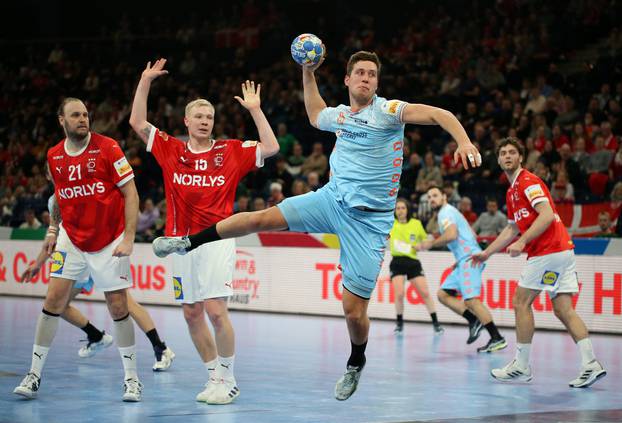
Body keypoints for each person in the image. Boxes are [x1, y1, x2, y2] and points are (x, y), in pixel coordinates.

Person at [152, 50, 482, 401]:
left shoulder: (387, 111)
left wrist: (463, 140)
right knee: (262, 217)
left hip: (369, 223)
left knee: (354, 313)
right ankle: (187, 242)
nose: (366, 79)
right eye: (360, 73)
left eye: (372, 74)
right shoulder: (339, 115)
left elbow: (438, 113)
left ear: (377, 83)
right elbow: (313, 113)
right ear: (347, 80)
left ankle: (356, 362)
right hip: (331, 200)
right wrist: (308, 72)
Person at [129, 58, 279, 404]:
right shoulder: (172, 149)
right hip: (180, 245)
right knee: (191, 313)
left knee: (215, 310)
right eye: (198, 117)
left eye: (209, 117)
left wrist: (255, 110)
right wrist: (145, 80)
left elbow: (271, 148)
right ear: (186, 121)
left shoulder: (229, 152)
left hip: (216, 241)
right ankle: (213, 376)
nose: (205, 121)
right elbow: (137, 121)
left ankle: (228, 378)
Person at [14, 98, 142, 401]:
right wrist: (52, 231)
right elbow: (60, 197)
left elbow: (131, 192)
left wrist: (129, 238)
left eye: (85, 114)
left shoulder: (108, 147)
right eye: (75, 115)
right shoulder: (54, 155)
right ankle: (33, 375)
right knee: (53, 300)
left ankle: (132, 379)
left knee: (119, 306)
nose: (83, 119)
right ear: (62, 120)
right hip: (71, 238)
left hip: (110, 239)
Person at [471, 137, 606, 388]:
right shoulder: (511, 191)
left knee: (521, 302)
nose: (508, 156)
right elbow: (512, 229)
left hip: (548, 251)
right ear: (499, 160)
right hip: (561, 251)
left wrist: (523, 242)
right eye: (503, 153)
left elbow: (546, 215)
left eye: (513, 152)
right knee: (563, 309)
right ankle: (591, 364)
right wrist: (487, 252)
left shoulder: (528, 182)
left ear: (520, 157)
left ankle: (521, 365)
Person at [20, 195, 174, 369]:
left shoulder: (82, 188)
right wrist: (38, 264)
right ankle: (96, 337)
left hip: (97, 250)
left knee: (124, 304)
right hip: (79, 255)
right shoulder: (56, 198)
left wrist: (38, 264)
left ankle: (159, 348)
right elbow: (57, 238)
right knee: (58, 305)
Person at [417, 186, 507, 353]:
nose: (432, 199)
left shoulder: (445, 213)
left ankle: (496, 337)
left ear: (444, 196)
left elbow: (451, 235)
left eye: (435, 195)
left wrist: (430, 243)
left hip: (469, 260)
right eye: (429, 197)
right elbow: (472, 233)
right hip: (463, 260)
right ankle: (474, 321)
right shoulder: (451, 212)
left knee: (472, 301)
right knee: (442, 294)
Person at [389, 198, 443, 334]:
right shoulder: (390, 224)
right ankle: (399, 323)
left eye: (403, 208)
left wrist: (422, 245)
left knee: (425, 293)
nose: (400, 211)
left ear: (407, 210)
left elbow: (427, 240)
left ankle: (436, 323)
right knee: (399, 294)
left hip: (412, 262)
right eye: (398, 208)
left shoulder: (416, 224)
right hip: (397, 262)